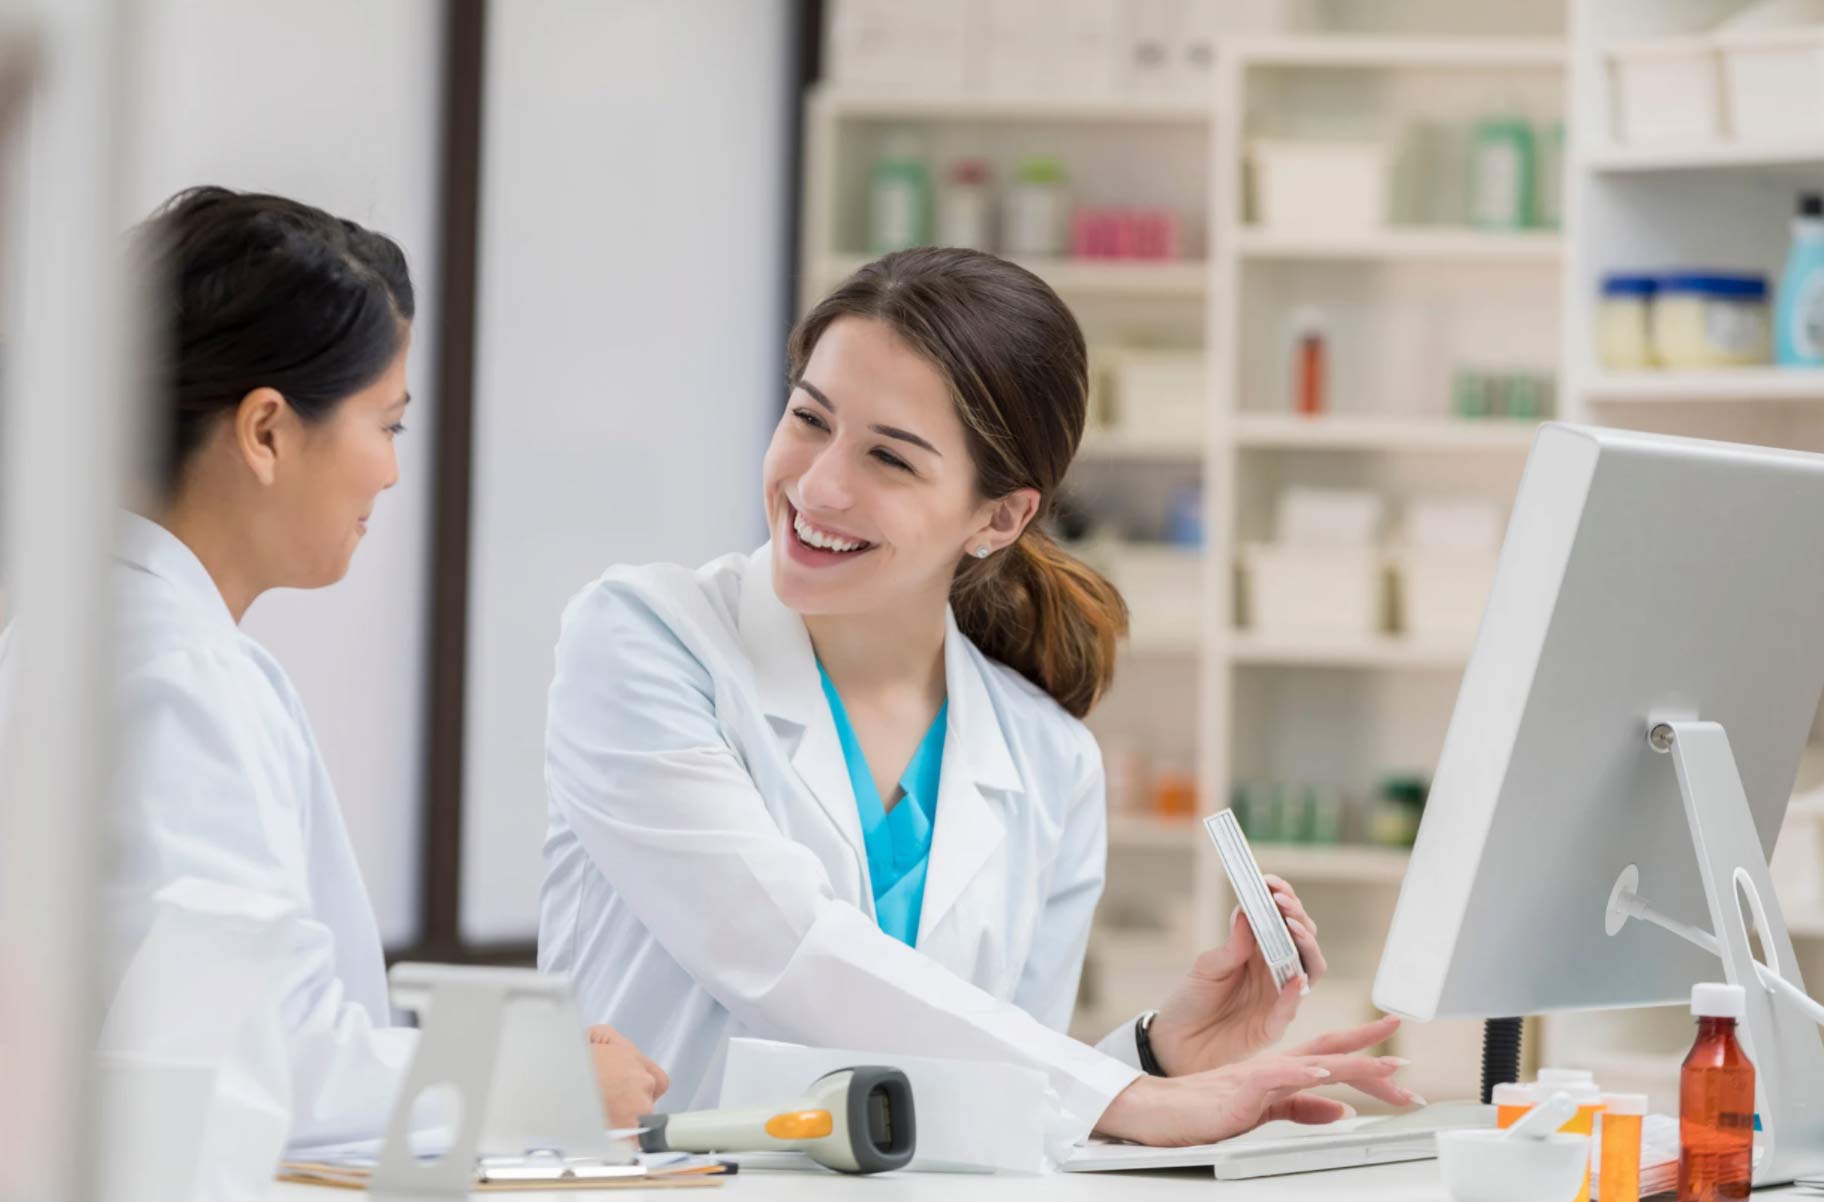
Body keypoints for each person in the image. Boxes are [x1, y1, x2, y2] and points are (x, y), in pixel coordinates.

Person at [539, 246, 1417, 1147]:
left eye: (890, 457)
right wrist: (1135, 1102)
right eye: (810, 418)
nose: (819, 484)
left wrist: (1156, 1056)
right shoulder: (646, 639)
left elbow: (986, 1100)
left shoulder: (1048, 760)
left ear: (999, 518)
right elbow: (780, 950)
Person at [17, 186, 664, 1150]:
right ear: (267, 431)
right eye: (388, 424)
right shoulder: (179, 676)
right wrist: (548, 1074)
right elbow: (262, 1064)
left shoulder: (89, 632)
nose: (392, 472)